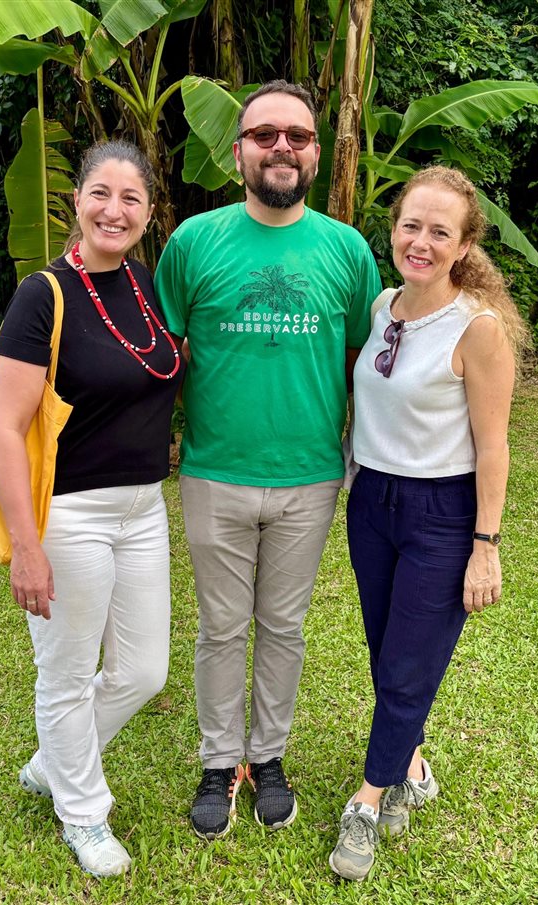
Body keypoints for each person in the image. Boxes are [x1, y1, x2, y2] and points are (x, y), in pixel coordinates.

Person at [154, 80, 381, 840]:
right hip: (215, 472)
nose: (281, 146)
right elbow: (165, 357)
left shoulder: (348, 251)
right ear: (237, 151)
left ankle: (270, 754)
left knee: (283, 626)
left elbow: (363, 363)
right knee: (221, 627)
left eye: (298, 135)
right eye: (264, 135)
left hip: (310, 476)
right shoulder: (193, 243)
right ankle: (220, 761)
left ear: (317, 151)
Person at [0, 140, 184, 878]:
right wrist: (26, 544)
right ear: (77, 201)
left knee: (143, 671)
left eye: (131, 199)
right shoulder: (45, 293)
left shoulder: (146, 285)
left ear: (148, 213)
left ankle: (52, 761)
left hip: (143, 508)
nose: (115, 209)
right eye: (101, 193)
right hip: (68, 512)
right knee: (67, 671)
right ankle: (84, 811)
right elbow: (5, 424)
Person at [328, 166, 528, 881]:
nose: (421, 240)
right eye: (411, 224)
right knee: (387, 652)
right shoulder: (382, 307)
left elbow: (494, 445)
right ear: (394, 229)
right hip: (372, 502)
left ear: (464, 243)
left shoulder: (477, 330)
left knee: (411, 662)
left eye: (440, 231)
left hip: (442, 513)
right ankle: (410, 759)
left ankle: (370, 796)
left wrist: (486, 545)